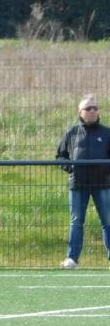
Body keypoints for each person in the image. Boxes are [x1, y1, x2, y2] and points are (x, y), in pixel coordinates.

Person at [56, 94, 110, 268]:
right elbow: (60, 156)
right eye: (88, 108)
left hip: (102, 184)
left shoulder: (107, 133)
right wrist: (71, 168)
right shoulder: (71, 132)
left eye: (95, 108)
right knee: (76, 221)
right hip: (78, 184)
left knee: (108, 221)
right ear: (80, 112)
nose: (92, 111)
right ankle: (72, 259)